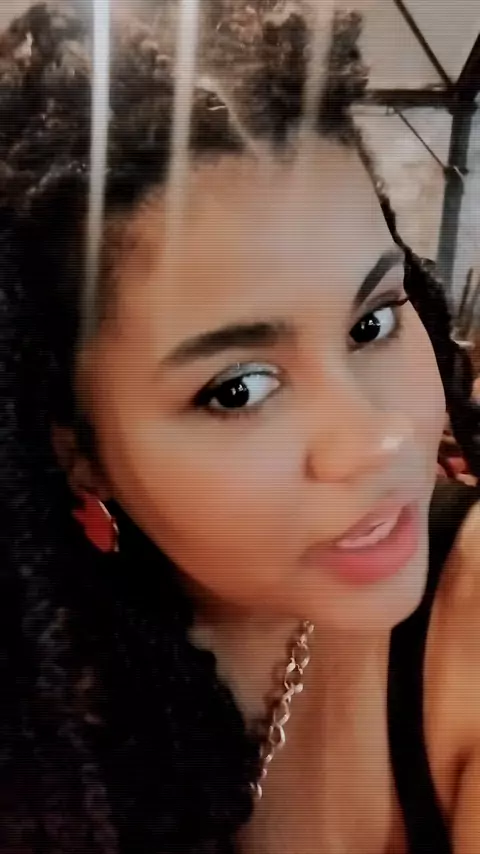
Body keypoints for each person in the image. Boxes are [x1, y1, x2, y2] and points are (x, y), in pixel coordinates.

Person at [1, 2, 480, 853]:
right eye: (239, 389)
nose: (376, 441)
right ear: (80, 453)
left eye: (373, 322)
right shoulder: (48, 682)